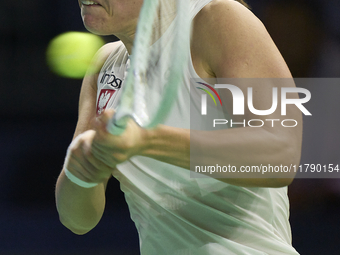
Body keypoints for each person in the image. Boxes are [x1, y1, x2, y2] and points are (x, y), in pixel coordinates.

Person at [55, 0, 302, 254]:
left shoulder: (219, 19)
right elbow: (78, 221)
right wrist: (83, 170)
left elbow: (281, 155)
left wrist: (148, 141)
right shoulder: (105, 66)